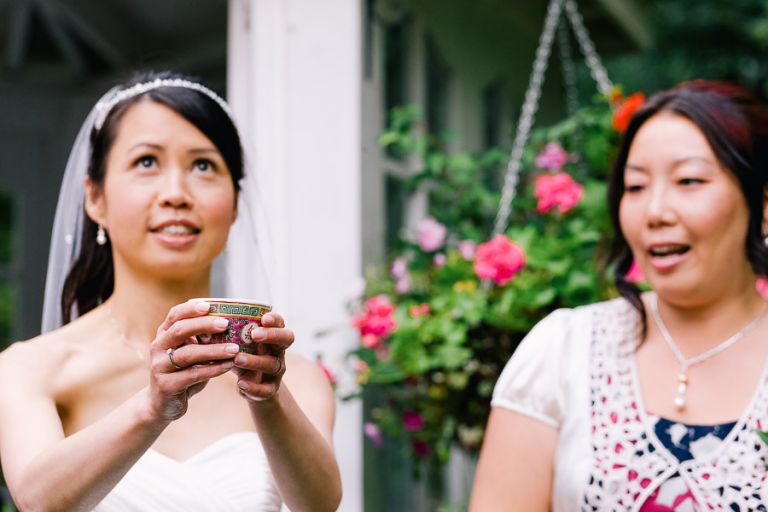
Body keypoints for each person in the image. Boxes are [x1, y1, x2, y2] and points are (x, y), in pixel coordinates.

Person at [0, 71, 341, 512]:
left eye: (203, 166)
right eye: (146, 162)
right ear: (95, 197)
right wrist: (152, 407)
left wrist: (269, 399)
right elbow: (37, 501)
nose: (176, 194)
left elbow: (319, 504)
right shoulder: (30, 369)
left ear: (235, 204)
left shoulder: (298, 379)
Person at [469, 80, 768, 511]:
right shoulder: (562, 351)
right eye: (636, 187)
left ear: (762, 202)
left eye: (689, 180)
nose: (655, 212)